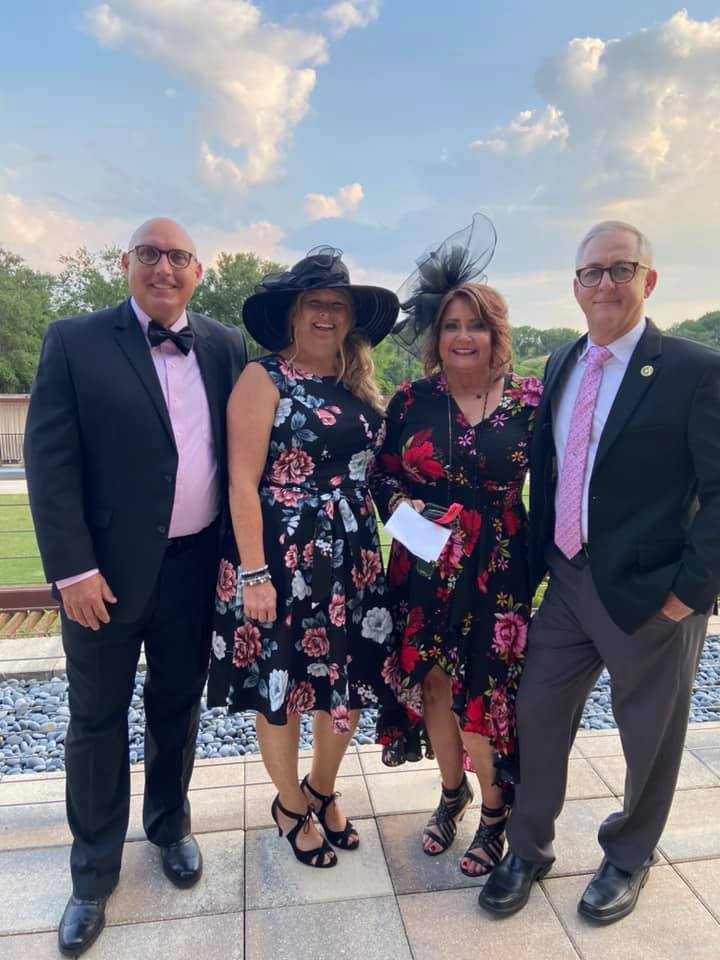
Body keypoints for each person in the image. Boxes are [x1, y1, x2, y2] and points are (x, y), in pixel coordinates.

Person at [479, 220, 720, 923]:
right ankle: (528, 845)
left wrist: (687, 597)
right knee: (539, 710)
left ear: (648, 280)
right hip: (569, 580)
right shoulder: (562, 364)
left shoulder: (694, 372)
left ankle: (628, 852)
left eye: (621, 269)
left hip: (653, 594)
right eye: (592, 272)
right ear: (576, 286)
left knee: (649, 732)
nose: (606, 283)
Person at [24, 218, 246, 957]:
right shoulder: (73, 341)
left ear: (198, 272)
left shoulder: (223, 347)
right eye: (149, 254)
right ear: (126, 264)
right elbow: (50, 466)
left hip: (193, 570)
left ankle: (169, 826)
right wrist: (73, 571)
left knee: (178, 706)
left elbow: (239, 458)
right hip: (103, 580)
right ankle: (91, 876)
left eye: (178, 257)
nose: (164, 267)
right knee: (95, 722)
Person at [207, 246, 399, 868]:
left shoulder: (357, 386)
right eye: (314, 303)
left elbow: (370, 475)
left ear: (351, 318)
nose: (326, 314)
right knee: (284, 685)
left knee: (344, 684)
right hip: (281, 560)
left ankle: (322, 787)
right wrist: (255, 574)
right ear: (291, 314)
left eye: (337, 305)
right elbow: (241, 483)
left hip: (351, 558)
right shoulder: (263, 379)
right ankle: (289, 803)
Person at [372, 216, 543, 877]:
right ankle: (453, 794)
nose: (463, 336)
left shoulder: (532, 402)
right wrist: (401, 508)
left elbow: (557, 485)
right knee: (436, 685)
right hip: (423, 564)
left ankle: (497, 814)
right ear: (435, 336)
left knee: (488, 693)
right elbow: (382, 474)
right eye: (450, 325)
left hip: (498, 568)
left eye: (476, 325)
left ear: (496, 334)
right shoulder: (411, 400)